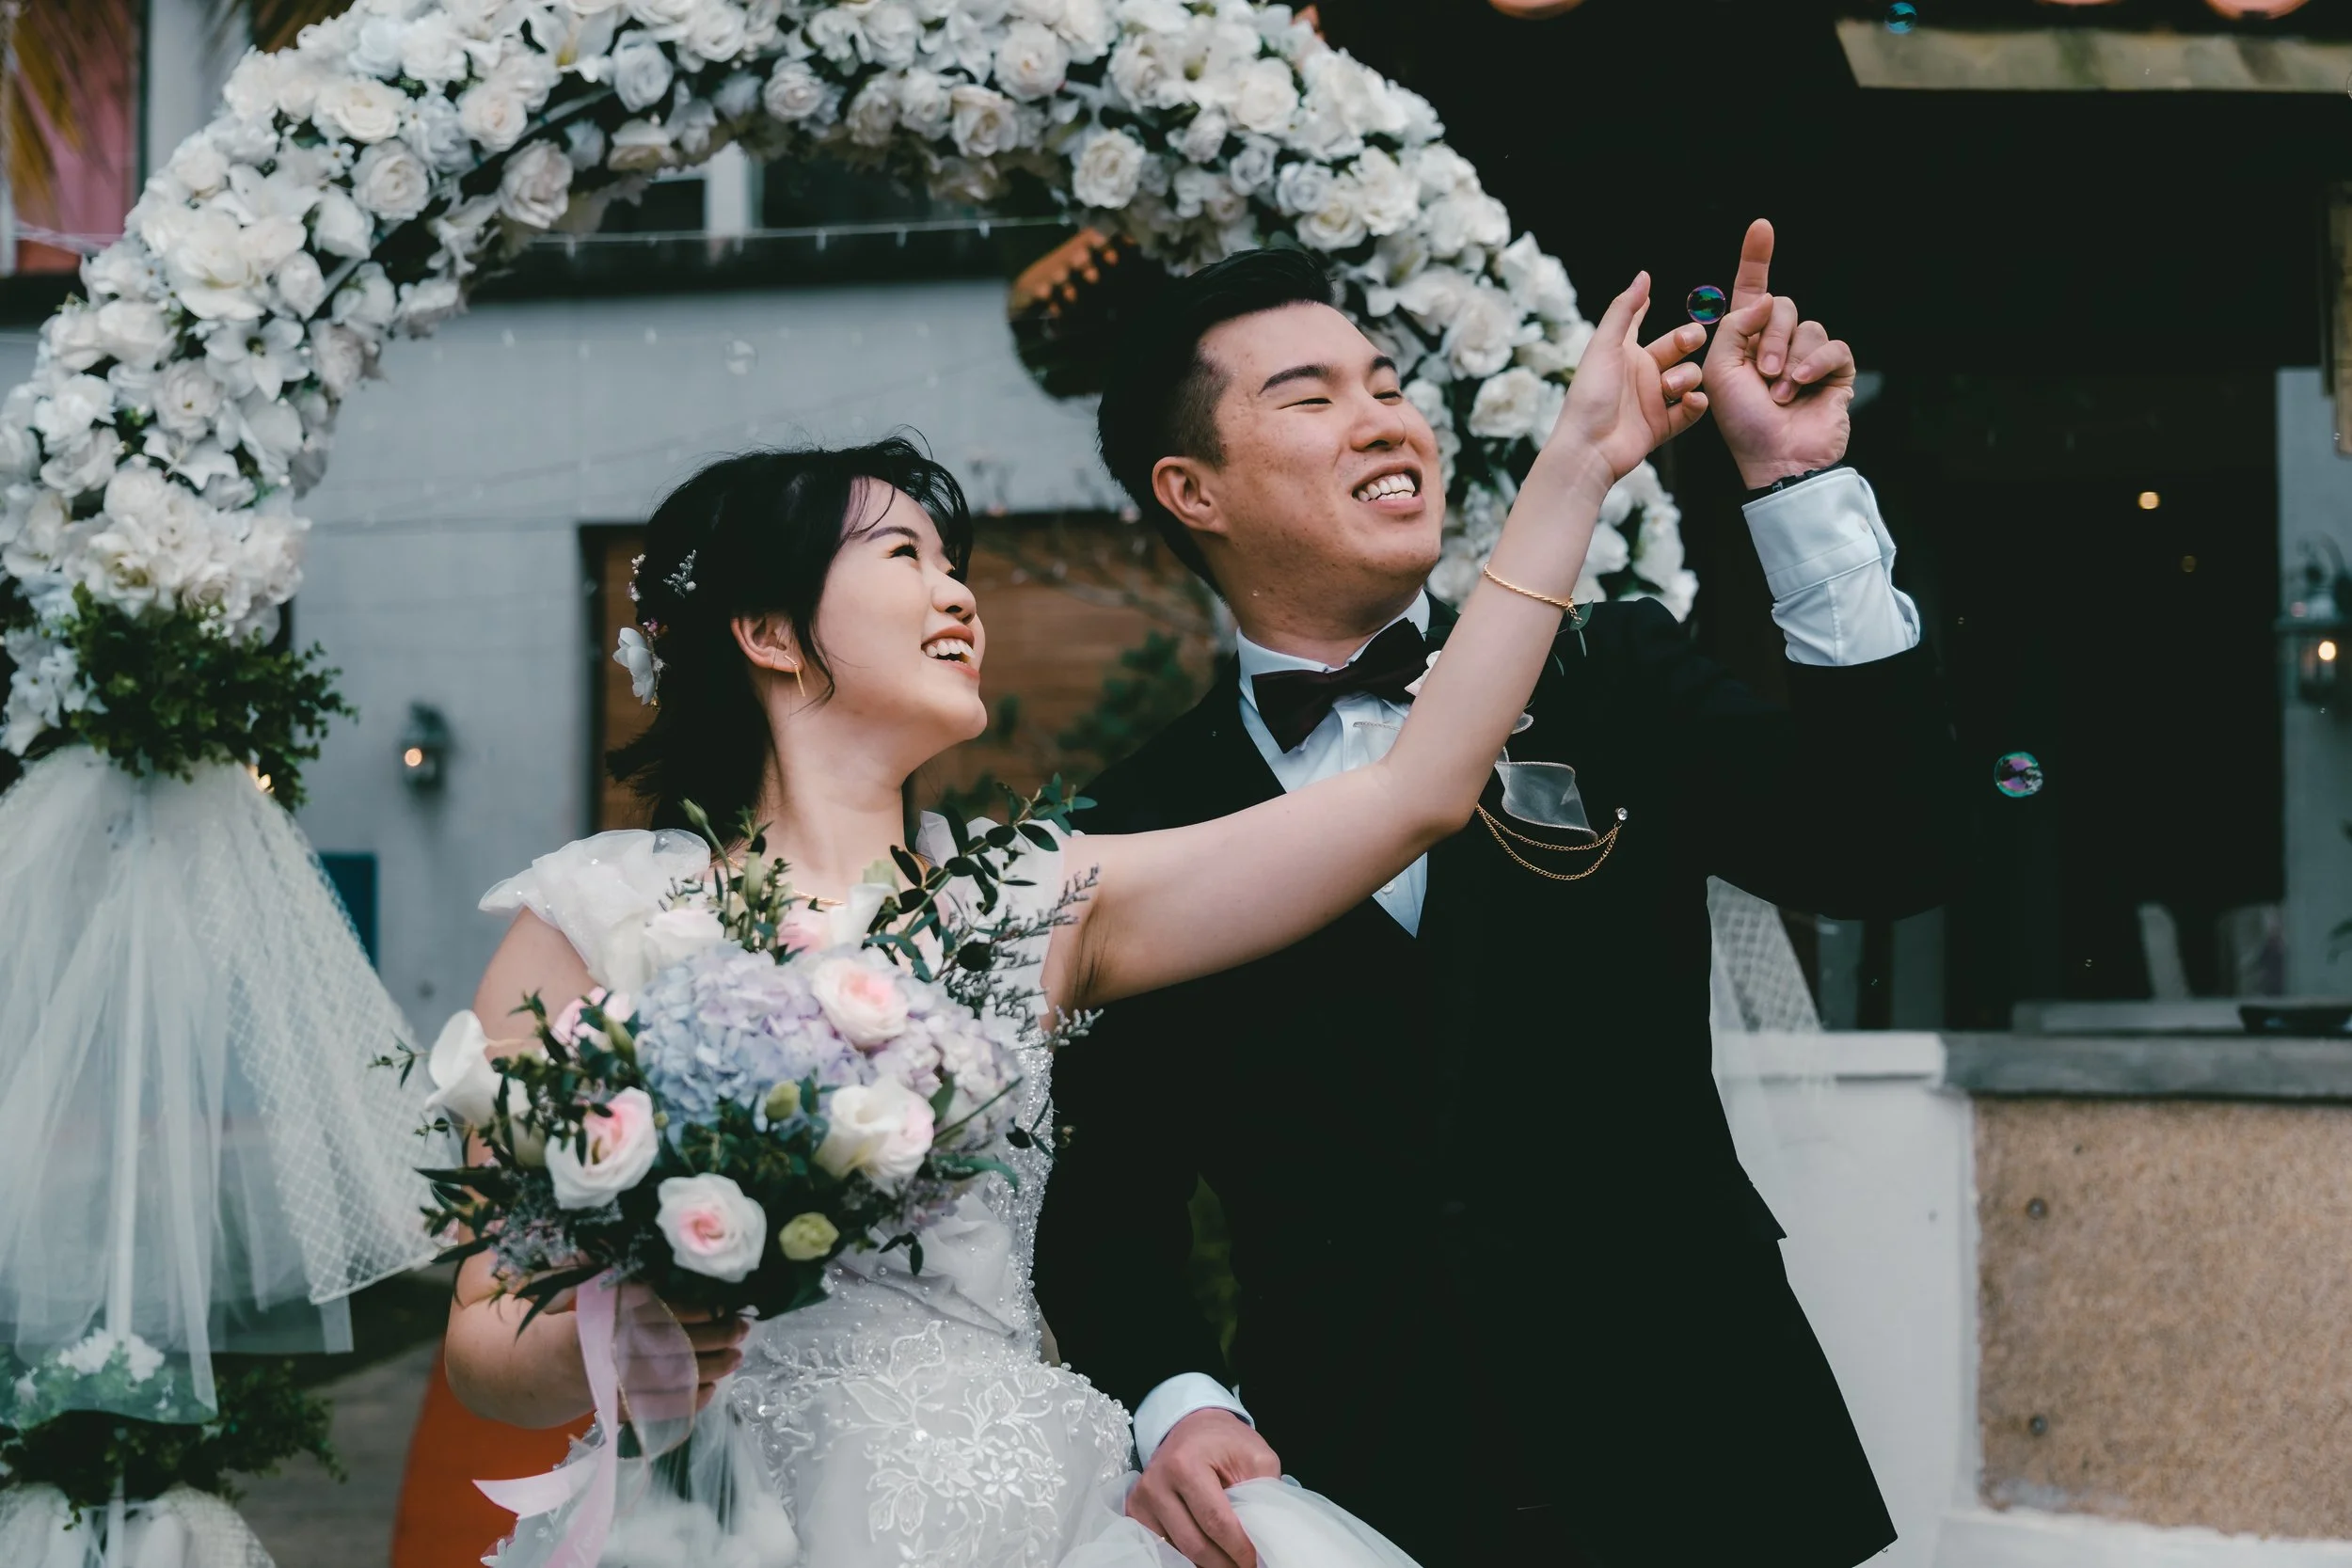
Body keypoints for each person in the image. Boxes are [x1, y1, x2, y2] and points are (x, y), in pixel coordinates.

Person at [441, 266, 1708, 1567]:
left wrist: (1577, 468)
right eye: (904, 557)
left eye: (955, 565)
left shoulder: (1033, 903)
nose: (960, 596)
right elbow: (485, 1346)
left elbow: (1415, 792)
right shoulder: (593, 919)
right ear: (769, 632)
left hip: (1035, 1513)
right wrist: (640, 1322)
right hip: (727, 1527)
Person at [1031, 229, 1966, 1568]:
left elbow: (1890, 848)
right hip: (1367, 1477)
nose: (1384, 421)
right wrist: (1181, 1405)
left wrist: (1796, 481)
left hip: (1703, 1443)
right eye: (1311, 397)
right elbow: (1105, 1213)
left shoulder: (1607, 673)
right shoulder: (1132, 827)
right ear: (1192, 489)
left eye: (1386, 385)